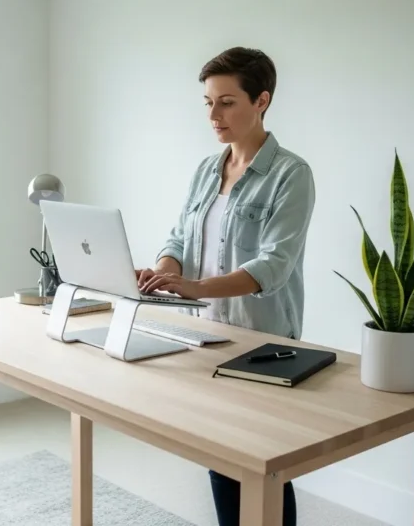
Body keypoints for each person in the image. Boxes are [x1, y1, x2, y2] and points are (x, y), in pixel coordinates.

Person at [135, 46, 316, 526]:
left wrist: (194, 287)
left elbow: (273, 266)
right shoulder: (205, 171)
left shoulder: (291, 175)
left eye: (227, 102)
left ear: (262, 101)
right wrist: (163, 271)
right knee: (220, 458)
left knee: (266, 466)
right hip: (206, 336)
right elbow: (178, 237)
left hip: (264, 341)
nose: (214, 115)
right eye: (208, 103)